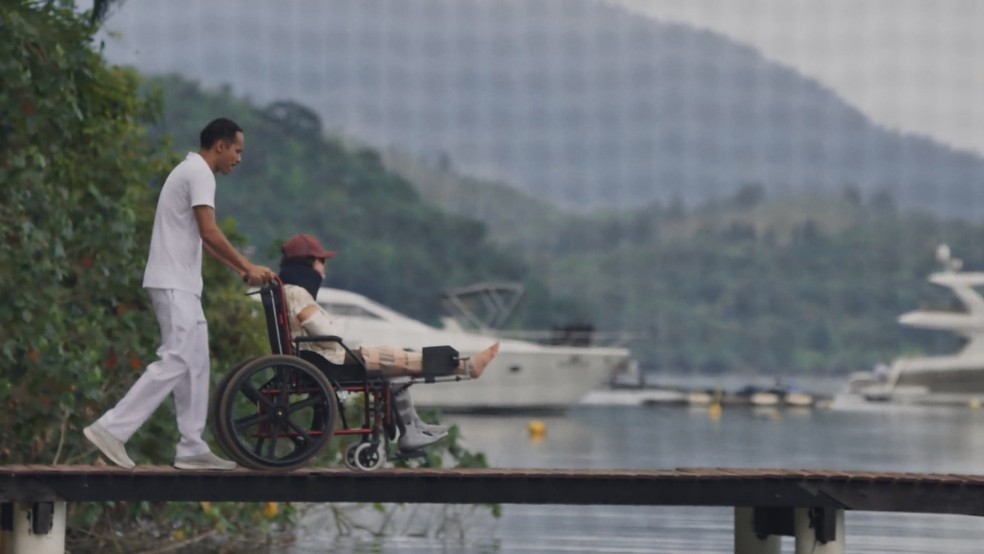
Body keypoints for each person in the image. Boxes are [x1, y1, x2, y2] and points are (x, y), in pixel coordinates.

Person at [84, 118, 276, 471]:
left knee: (196, 361)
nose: (238, 158)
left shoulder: (192, 171)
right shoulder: (199, 173)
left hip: (183, 284)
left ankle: (191, 446)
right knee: (176, 357)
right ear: (219, 146)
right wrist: (247, 265)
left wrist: (240, 269)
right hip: (172, 281)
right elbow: (210, 230)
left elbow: (204, 238)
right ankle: (112, 429)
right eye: (237, 150)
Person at [277, 233, 500, 452]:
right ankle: (466, 367)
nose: (324, 268)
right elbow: (326, 331)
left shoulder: (288, 292)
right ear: (308, 264)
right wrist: (338, 325)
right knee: (397, 358)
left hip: (321, 357)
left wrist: (334, 326)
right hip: (328, 361)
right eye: (321, 261)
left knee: (396, 365)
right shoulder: (297, 293)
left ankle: (411, 427)